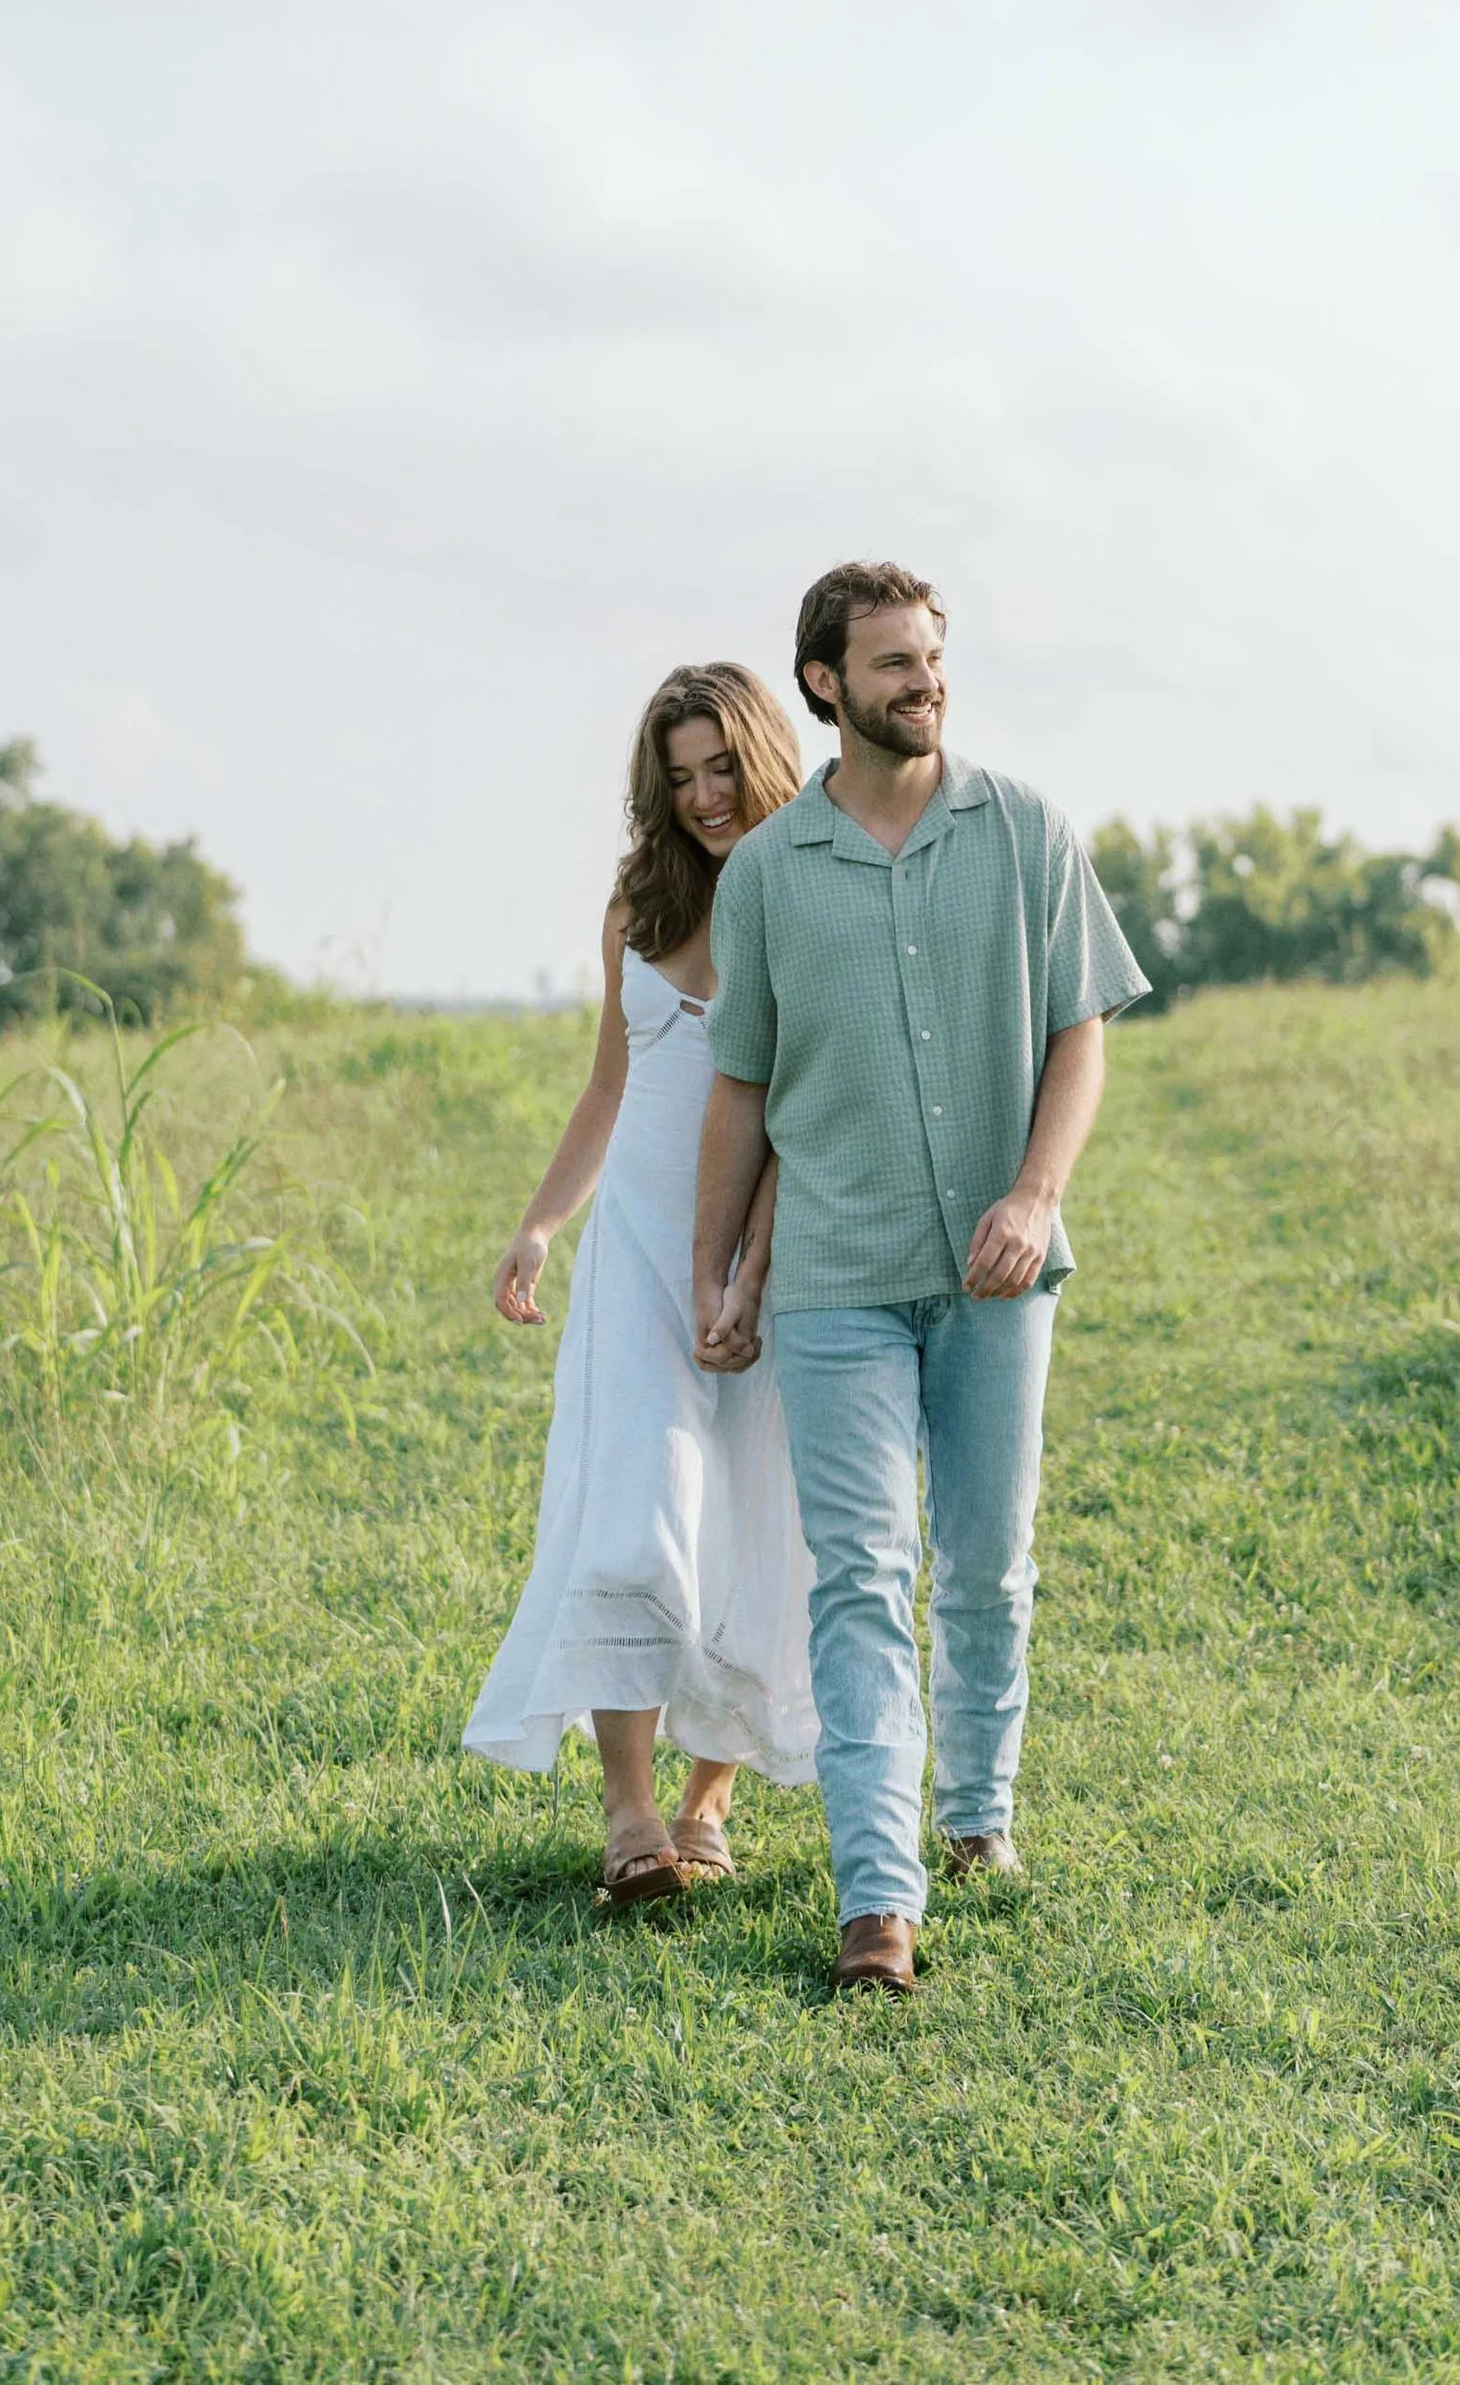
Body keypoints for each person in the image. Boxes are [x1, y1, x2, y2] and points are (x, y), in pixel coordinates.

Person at [692, 563, 1149, 1992]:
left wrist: (1035, 1190)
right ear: (826, 682)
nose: (923, 682)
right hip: (833, 1276)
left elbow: (1082, 1030)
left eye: (932, 657)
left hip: (999, 1276)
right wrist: (722, 1270)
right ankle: (877, 1896)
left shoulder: (1026, 833)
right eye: (891, 662)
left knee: (988, 1561)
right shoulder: (770, 874)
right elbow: (743, 1091)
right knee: (862, 1576)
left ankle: (978, 1815)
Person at [465, 664, 819, 1905]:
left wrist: (749, 1265)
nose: (707, 796)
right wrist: (541, 1225)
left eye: (723, 766)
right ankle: (627, 1811)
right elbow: (609, 1085)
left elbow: (807, 1100)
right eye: (680, 777)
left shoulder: (810, 893)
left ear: (765, 756)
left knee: (755, 1512)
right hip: (637, 1251)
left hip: (770, 1250)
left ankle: (706, 1803)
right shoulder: (639, 901)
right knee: (634, 1506)